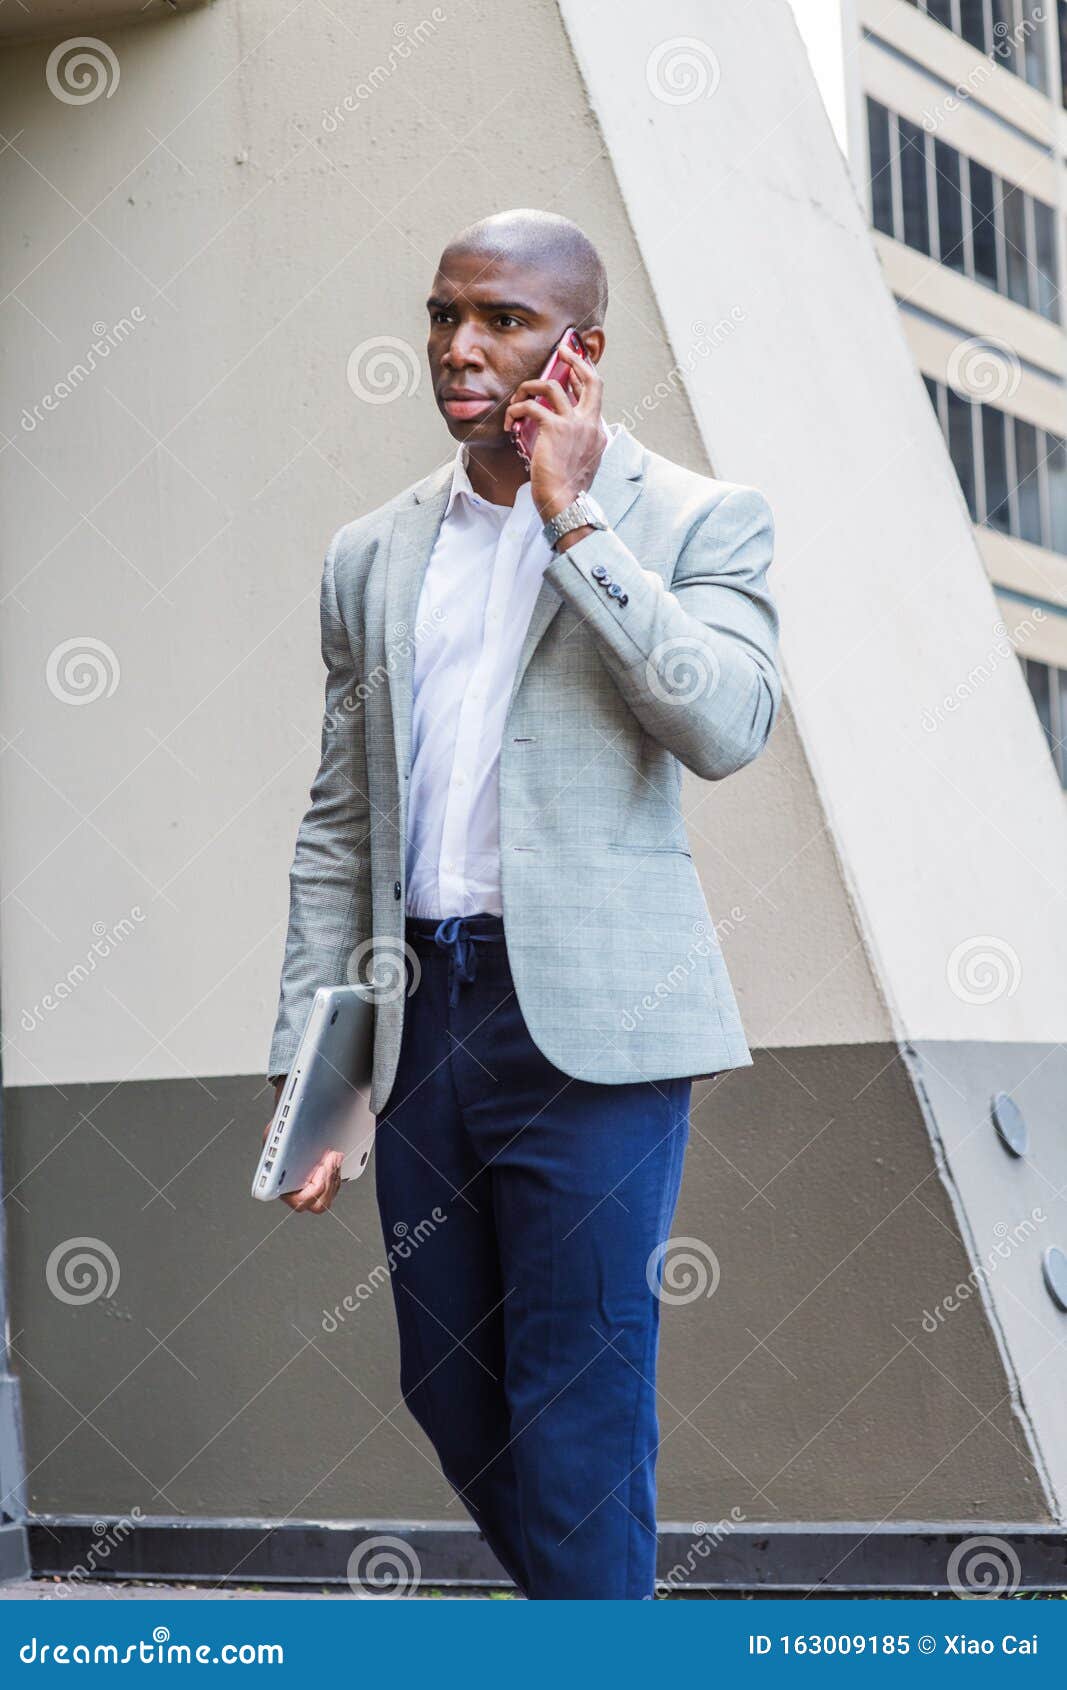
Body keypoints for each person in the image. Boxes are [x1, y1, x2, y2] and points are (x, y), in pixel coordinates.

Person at [264, 209, 781, 1599]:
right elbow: (341, 822)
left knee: (579, 1397)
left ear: (582, 349)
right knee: (447, 1381)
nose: (458, 347)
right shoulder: (370, 556)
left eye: (499, 319)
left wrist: (573, 513)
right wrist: (320, 1078)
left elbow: (724, 722)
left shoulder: (696, 518)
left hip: (597, 1034)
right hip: (422, 1019)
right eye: (443, 314)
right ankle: (601, 1623)